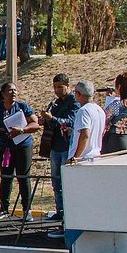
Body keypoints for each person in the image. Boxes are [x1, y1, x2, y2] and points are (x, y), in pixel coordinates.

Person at [0, 81, 38, 220]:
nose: (14, 92)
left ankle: (27, 210)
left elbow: (35, 124)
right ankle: (4, 209)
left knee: (23, 177)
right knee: (6, 177)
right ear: (3, 93)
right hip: (5, 148)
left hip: (23, 146)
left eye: (15, 90)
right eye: (10, 90)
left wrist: (22, 130)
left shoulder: (22, 107)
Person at [39, 73, 78, 222]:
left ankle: (69, 213)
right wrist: (44, 119)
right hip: (54, 145)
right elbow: (52, 120)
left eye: (60, 87)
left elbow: (70, 121)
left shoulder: (73, 102)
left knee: (66, 182)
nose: (57, 90)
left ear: (67, 86)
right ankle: (59, 210)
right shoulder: (55, 102)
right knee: (56, 182)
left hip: (66, 146)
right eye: (55, 87)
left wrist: (52, 118)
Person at [102, 78, 127, 154]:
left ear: (119, 87)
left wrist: (109, 100)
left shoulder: (117, 104)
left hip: (116, 142)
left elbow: (104, 120)